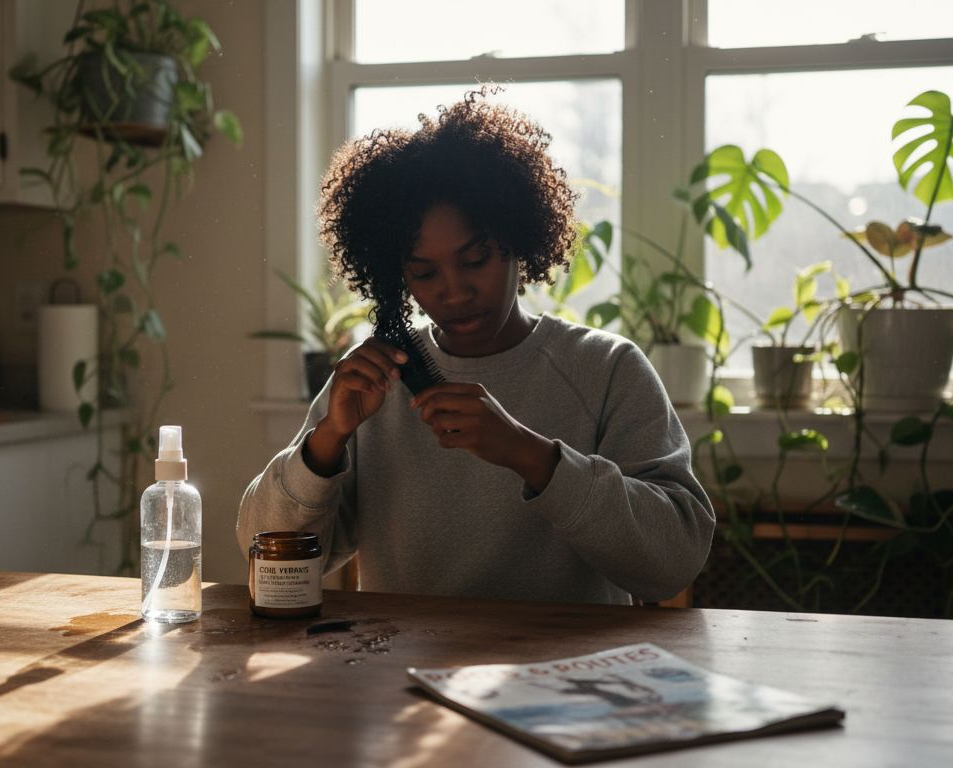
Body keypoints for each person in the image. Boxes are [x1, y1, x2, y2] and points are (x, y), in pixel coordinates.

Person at [237, 88, 714, 605]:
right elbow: (263, 550)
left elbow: (675, 559)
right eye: (423, 272)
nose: (455, 291)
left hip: (561, 674)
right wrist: (327, 440)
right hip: (399, 672)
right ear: (396, 276)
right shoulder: (376, 382)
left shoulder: (605, 369)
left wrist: (530, 455)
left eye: (475, 259)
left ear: (518, 241)